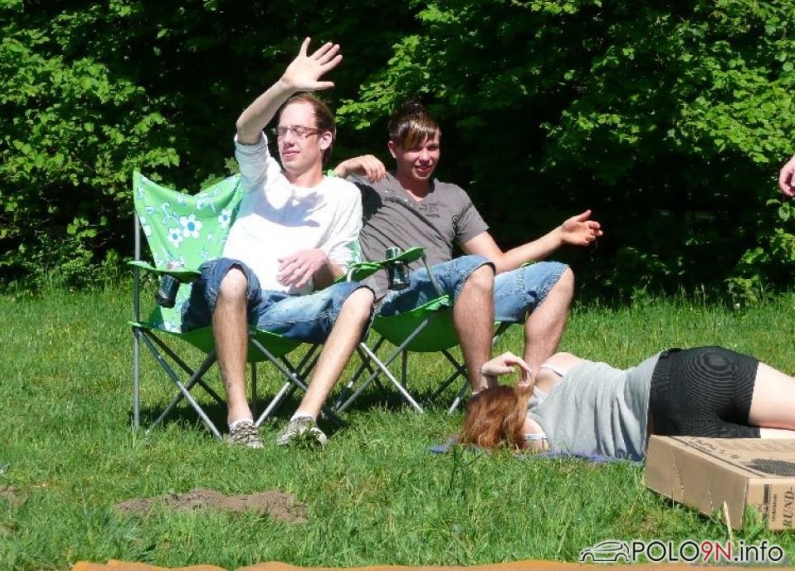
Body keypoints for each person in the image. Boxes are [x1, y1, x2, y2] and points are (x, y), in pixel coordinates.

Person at [182, 38, 375, 448]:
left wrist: (321, 260)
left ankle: (304, 419)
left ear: (325, 139)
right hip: (225, 296)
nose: (287, 140)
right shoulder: (263, 175)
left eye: (299, 131)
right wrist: (286, 85)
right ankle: (240, 420)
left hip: (284, 308)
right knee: (233, 275)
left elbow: (338, 274)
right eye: (283, 131)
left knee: (360, 295)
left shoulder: (344, 195)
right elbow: (245, 129)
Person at [333, 100, 603, 393]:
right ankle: (484, 395)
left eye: (432, 147)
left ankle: (533, 396)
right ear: (393, 149)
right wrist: (345, 168)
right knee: (472, 267)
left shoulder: (453, 196)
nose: (425, 157)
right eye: (414, 149)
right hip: (399, 304)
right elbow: (316, 200)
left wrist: (558, 235)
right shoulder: (367, 187)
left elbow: (497, 262)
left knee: (557, 276)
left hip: (457, 300)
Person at [460, 346, 795, 461]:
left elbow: (499, 421)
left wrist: (486, 392)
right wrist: (488, 374)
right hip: (685, 372)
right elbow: (503, 407)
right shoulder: (553, 368)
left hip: (673, 432)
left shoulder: (533, 436)